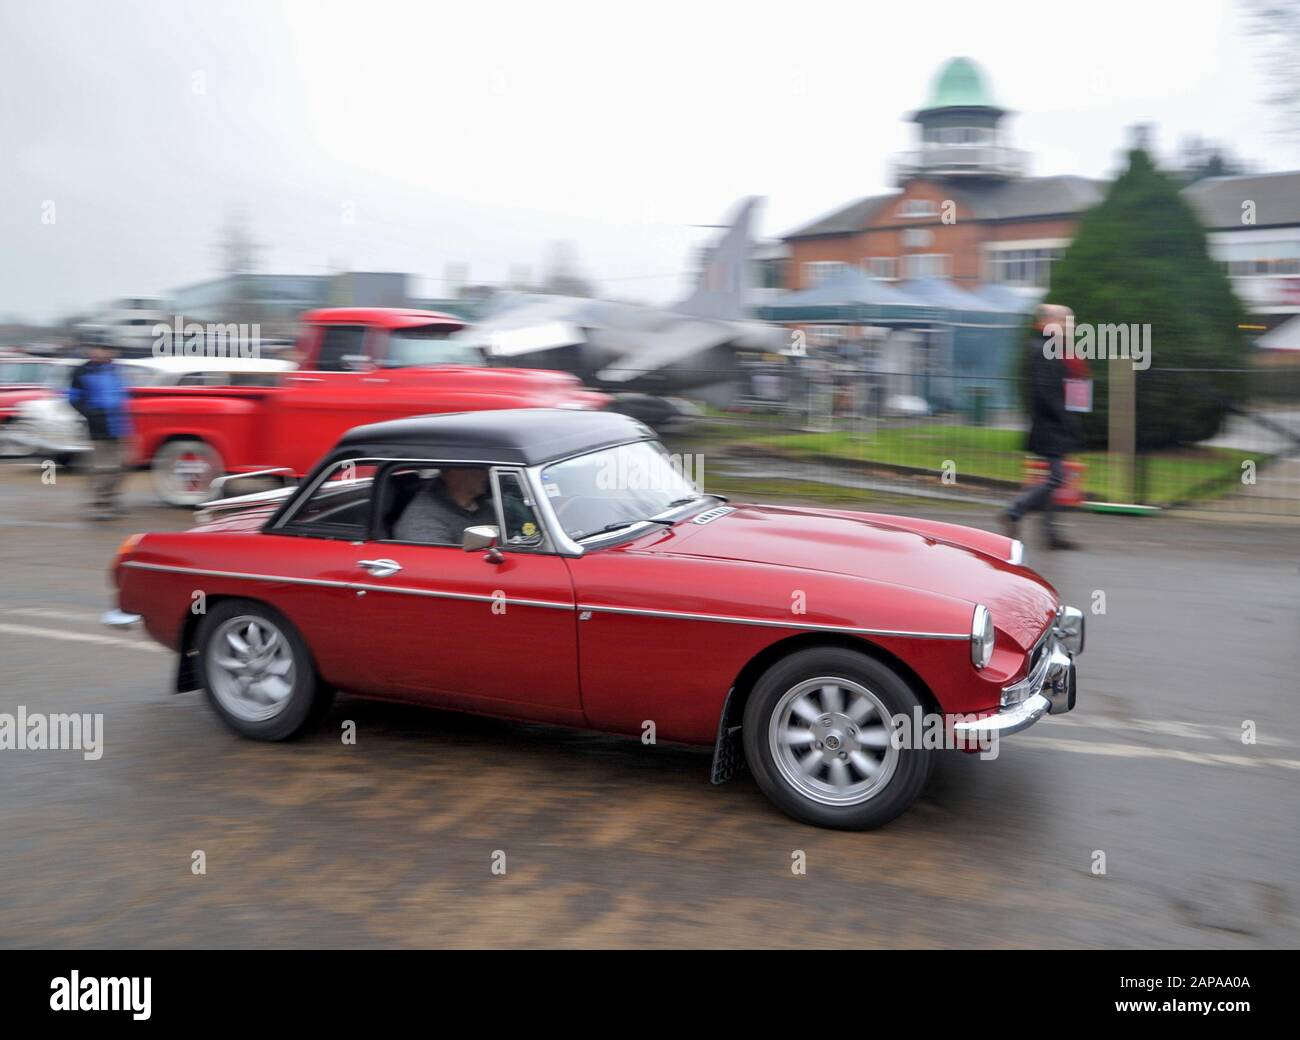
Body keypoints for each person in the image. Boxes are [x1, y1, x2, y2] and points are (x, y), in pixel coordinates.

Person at [1001, 304, 1082, 551]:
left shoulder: (1052, 348)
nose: (1071, 326)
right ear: (1050, 321)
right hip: (1051, 423)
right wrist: (1064, 418)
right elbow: (1044, 390)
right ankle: (1014, 511)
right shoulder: (1044, 349)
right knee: (1057, 477)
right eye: (1066, 321)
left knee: (1055, 477)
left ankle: (1051, 534)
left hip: (1052, 421)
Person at [67, 339, 134, 520]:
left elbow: (123, 397)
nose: (104, 353)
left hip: (119, 425)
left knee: (122, 467)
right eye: (100, 349)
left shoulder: (115, 370)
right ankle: (98, 504)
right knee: (102, 468)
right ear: (91, 350)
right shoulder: (82, 371)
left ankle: (111, 500)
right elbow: (73, 398)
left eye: (108, 350)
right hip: (98, 427)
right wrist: (91, 413)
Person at [392, 466, 495, 545]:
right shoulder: (422, 523)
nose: (487, 473)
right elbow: (444, 569)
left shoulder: (481, 504)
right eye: (480, 468)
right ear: (455, 472)